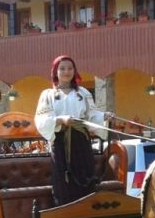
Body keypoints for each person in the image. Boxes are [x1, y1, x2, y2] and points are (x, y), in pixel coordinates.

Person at [35, 55, 113, 207]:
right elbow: (41, 119)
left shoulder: (83, 93)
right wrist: (60, 120)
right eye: (62, 68)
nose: (66, 72)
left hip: (81, 142)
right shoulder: (48, 95)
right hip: (60, 142)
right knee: (63, 181)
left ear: (74, 71)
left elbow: (92, 115)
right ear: (55, 72)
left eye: (70, 68)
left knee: (84, 177)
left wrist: (104, 116)